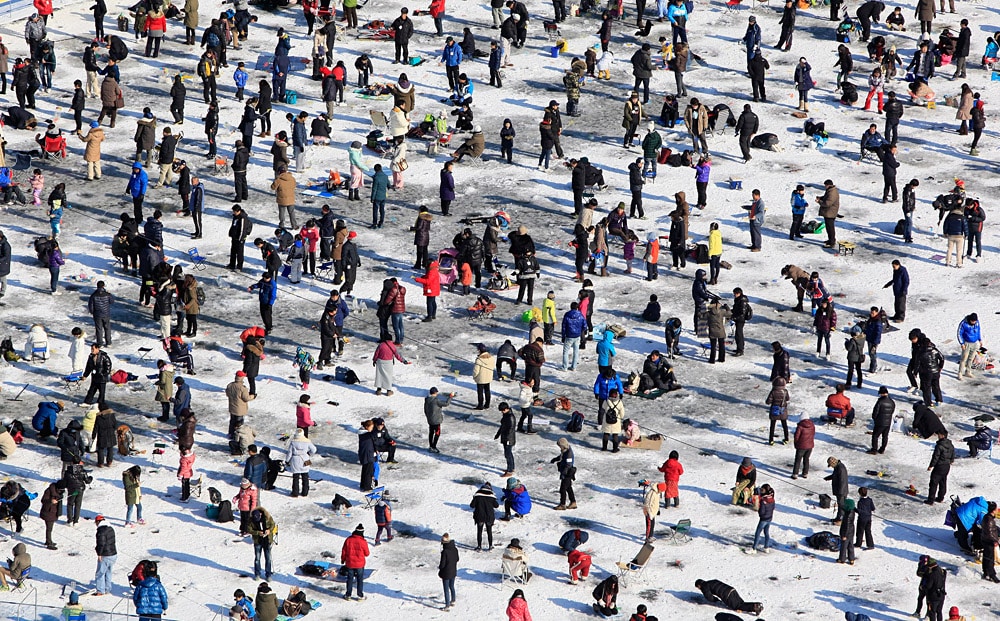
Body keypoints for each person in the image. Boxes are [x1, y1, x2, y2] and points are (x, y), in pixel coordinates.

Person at [694, 579, 763, 615]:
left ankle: (755, 606)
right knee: (741, 603)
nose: (699, 589)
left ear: (699, 585)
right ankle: (757, 605)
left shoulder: (704, 587)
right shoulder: (712, 581)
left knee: (737, 606)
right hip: (731, 589)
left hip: (727, 595)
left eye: (698, 588)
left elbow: (709, 598)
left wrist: (716, 600)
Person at [341, 524, 370, 600]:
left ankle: (348, 595)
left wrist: (343, 559)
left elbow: (344, 551)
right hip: (360, 564)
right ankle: (360, 595)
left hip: (350, 563)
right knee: (360, 579)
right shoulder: (363, 541)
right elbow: (367, 554)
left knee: (349, 579)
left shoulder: (348, 539)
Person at [926, 431, 954, 505]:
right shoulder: (950, 444)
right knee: (943, 482)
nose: (938, 436)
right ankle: (940, 498)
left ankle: (930, 500)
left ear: (942, 435)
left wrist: (931, 466)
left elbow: (935, 457)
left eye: (939, 434)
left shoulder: (939, 445)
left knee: (933, 483)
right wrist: (951, 460)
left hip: (939, 466)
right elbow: (953, 453)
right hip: (946, 466)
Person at [424, 387, 453, 453]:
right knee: (437, 433)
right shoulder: (436, 400)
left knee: (431, 432)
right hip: (436, 420)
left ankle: (431, 446)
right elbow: (446, 404)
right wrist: (450, 397)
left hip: (430, 419)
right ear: (435, 393)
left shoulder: (427, 399)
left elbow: (425, 410)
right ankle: (434, 447)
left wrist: (428, 417)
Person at [94, 514, 117, 595]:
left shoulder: (101, 531)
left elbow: (101, 544)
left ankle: (100, 590)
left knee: (100, 573)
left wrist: (99, 554)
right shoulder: (110, 528)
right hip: (113, 554)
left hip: (105, 555)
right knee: (108, 572)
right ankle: (107, 589)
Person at [868, 386, 895, 454]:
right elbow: (892, 411)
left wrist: (875, 418)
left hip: (880, 422)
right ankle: (882, 449)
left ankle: (874, 449)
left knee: (875, 436)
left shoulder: (880, 401)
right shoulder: (892, 402)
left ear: (882, 393)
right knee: (885, 436)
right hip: (888, 422)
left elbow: (875, 412)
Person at [552, 437, 576, 510]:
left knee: (562, 489)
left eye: (560, 446)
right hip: (565, 472)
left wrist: (563, 474)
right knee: (568, 488)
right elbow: (561, 456)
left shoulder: (569, 453)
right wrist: (556, 459)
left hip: (567, 473)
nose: (560, 448)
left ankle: (562, 504)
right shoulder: (565, 450)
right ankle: (573, 502)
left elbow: (568, 465)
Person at [957, 313, 982, 380]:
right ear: (970, 320)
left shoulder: (977, 322)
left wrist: (980, 340)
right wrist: (962, 343)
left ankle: (968, 371)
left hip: (975, 343)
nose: (974, 322)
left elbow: (978, 331)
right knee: (964, 359)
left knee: (971, 358)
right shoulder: (964, 323)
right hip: (967, 343)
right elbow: (959, 333)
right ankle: (960, 373)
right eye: (973, 321)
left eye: (975, 321)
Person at [495, 402, 517, 476]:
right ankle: (511, 468)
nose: (502, 412)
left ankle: (510, 471)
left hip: (508, 439)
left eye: (503, 410)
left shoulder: (510, 417)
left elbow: (510, 429)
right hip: (505, 438)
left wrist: (507, 439)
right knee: (508, 454)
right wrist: (498, 434)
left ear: (507, 409)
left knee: (508, 454)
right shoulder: (506, 415)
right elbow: (502, 426)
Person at [825, 456, 849, 523]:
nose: (831, 467)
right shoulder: (837, 467)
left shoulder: (840, 468)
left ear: (833, 463)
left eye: (831, 465)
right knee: (840, 505)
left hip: (841, 492)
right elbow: (835, 475)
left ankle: (840, 520)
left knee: (841, 506)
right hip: (840, 491)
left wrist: (840, 493)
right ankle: (838, 518)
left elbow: (842, 481)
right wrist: (828, 477)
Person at [838, 498, 857, 564]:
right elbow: (844, 508)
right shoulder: (852, 511)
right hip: (851, 531)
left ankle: (842, 559)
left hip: (846, 532)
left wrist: (844, 535)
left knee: (843, 546)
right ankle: (851, 559)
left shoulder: (847, 516)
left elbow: (846, 526)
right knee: (850, 545)